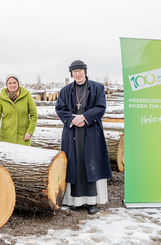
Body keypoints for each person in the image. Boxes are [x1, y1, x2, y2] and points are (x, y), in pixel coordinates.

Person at [55, 60, 112, 214]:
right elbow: (59, 108)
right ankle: (74, 201)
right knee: (74, 163)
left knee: (91, 163)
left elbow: (101, 107)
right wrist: (72, 119)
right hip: (72, 131)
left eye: (80, 71)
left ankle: (92, 202)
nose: (78, 74)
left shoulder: (97, 88)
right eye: (75, 72)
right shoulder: (65, 90)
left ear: (85, 72)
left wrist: (84, 117)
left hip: (91, 131)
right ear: (71, 74)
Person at [0, 75, 37, 146]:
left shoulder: (26, 95)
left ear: (18, 84)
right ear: (6, 85)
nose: (12, 85)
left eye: (14, 83)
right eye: (10, 83)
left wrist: (30, 132)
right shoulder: (2, 97)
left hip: (23, 138)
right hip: (6, 138)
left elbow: (34, 115)